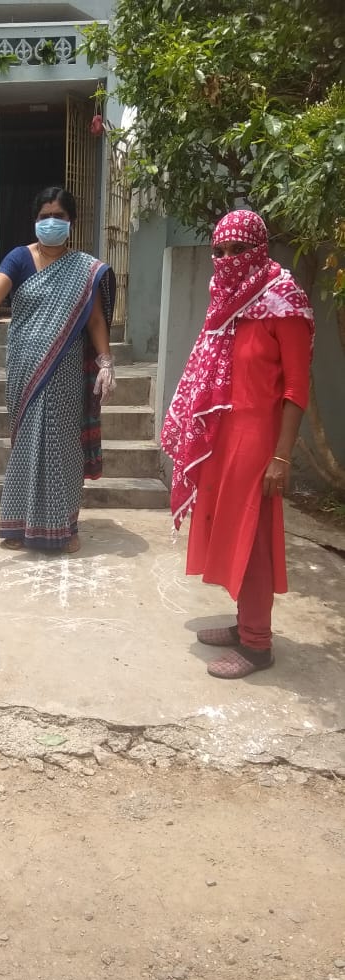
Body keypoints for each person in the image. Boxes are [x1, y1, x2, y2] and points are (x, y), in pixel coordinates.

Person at [161, 209, 314, 679]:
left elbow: (296, 388)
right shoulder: (226, 300)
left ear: (260, 249)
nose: (228, 259)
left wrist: (281, 456)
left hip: (259, 438)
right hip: (224, 437)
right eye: (220, 251)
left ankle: (257, 647)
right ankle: (246, 621)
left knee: (253, 536)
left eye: (239, 249)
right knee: (227, 527)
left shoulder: (283, 302)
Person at [0, 185, 117, 553]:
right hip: (25, 367)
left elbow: (94, 320)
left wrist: (106, 360)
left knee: (62, 446)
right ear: (35, 221)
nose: (51, 222)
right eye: (44, 216)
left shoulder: (84, 269)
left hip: (65, 370)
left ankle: (66, 526)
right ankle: (19, 523)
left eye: (58, 216)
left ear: (71, 221)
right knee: (27, 444)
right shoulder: (18, 258)